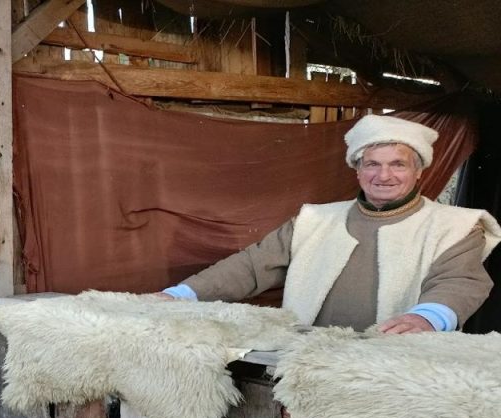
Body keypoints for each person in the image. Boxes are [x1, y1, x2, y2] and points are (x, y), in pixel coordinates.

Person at [157, 114, 501, 336]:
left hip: (401, 371)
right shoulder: (315, 220)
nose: (384, 175)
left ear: (419, 171)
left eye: (398, 164)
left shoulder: (455, 225)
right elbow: (251, 266)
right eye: (372, 164)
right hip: (311, 363)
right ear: (357, 170)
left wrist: (424, 320)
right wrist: (179, 296)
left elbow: (458, 282)